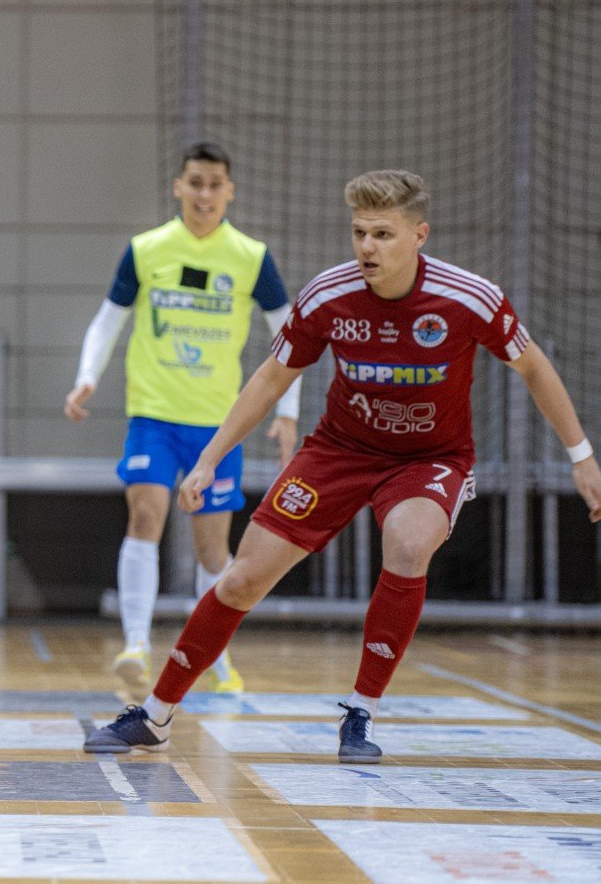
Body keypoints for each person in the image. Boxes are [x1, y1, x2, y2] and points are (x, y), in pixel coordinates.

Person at [86, 170, 601, 762]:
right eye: (359, 232)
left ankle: (361, 711)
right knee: (242, 578)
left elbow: (534, 367)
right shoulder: (329, 295)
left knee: (407, 547)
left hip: (429, 459)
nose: (367, 247)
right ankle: (155, 716)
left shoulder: (468, 297)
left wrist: (580, 457)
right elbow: (272, 377)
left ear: (419, 235)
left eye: (383, 234)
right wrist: (208, 459)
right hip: (337, 451)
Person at [65, 142, 299, 694]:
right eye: (195, 182)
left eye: (215, 184)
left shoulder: (250, 256)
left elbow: (291, 333)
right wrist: (86, 377)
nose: (204, 194)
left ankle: (215, 660)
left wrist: (285, 411)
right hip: (153, 414)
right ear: (178, 186)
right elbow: (106, 321)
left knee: (212, 548)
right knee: (145, 515)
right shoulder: (147, 250)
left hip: (220, 426)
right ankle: (136, 646)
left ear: (229, 192)